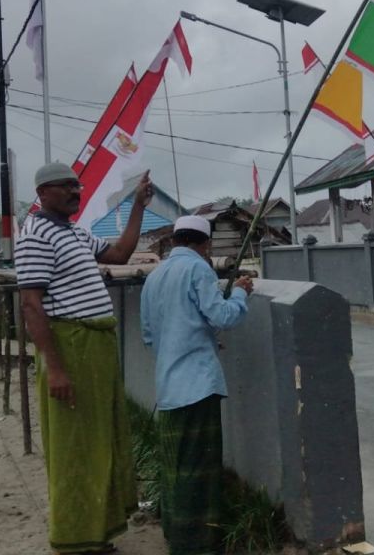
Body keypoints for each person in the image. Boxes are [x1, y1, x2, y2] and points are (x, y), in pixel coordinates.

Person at [16, 163, 154, 555]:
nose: (77, 192)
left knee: (101, 439)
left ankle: (97, 532)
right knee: (75, 446)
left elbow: (121, 253)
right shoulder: (35, 236)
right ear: (43, 193)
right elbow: (31, 305)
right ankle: (74, 540)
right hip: (71, 347)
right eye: (67, 187)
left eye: (78, 186)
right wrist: (56, 368)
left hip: (95, 346)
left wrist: (138, 205)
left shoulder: (75, 232)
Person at [140, 216, 254, 555]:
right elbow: (223, 317)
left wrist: (197, 339)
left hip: (169, 386)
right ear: (204, 244)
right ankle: (198, 542)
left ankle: (178, 535)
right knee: (200, 467)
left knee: (177, 465)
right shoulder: (199, 270)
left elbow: (151, 335)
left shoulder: (154, 276)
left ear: (174, 240)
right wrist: (240, 293)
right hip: (198, 385)